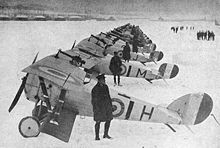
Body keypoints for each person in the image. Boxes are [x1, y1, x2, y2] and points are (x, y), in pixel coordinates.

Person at [91, 74, 113, 140]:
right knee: (98, 121)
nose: (104, 80)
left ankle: (105, 134)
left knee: (109, 120)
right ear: (99, 80)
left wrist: (110, 106)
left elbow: (109, 97)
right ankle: (97, 136)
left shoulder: (106, 87)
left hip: (106, 107)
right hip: (99, 108)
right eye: (103, 79)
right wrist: (96, 109)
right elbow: (94, 100)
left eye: (104, 79)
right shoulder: (95, 89)